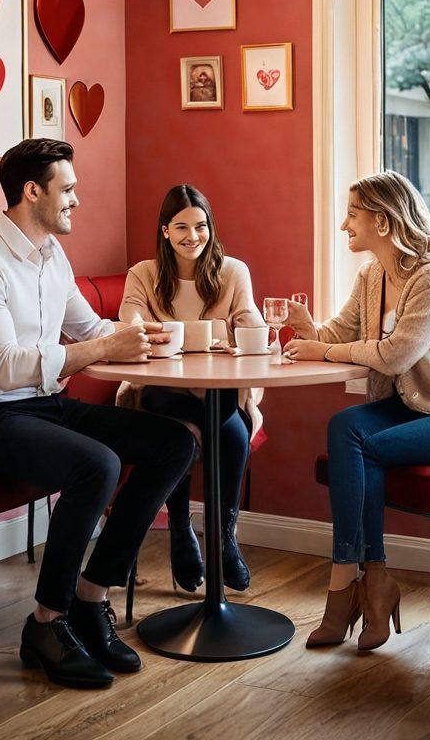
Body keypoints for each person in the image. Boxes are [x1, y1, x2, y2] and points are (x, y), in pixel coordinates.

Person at [0, 139, 196, 689]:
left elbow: (89, 330)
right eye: (68, 189)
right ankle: (46, 625)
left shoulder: (52, 255)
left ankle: (90, 597)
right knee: (97, 465)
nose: (78, 199)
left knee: (174, 441)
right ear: (33, 192)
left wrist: (140, 335)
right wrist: (104, 350)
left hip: (43, 406)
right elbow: (7, 368)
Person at [283, 171, 430, 652]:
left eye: (352, 215)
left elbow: (396, 355)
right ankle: (373, 580)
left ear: (381, 219)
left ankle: (347, 587)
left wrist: (324, 350)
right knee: (344, 427)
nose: (343, 225)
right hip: (407, 410)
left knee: (364, 449)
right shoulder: (372, 274)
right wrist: (308, 328)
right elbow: (339, 334)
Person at [118, 185, 265, 593]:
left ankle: (223, 536)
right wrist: (137, 325)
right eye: (181, 227)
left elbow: (248, 317)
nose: (193, 236)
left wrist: (253, 323)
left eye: (201, 226)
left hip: (216, 392)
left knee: (230, 429)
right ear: (165, 231)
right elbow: (129, 318)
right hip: (160, 391)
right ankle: (181, 529)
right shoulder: (143, 274)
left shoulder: (233, 271)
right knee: (181, 424)